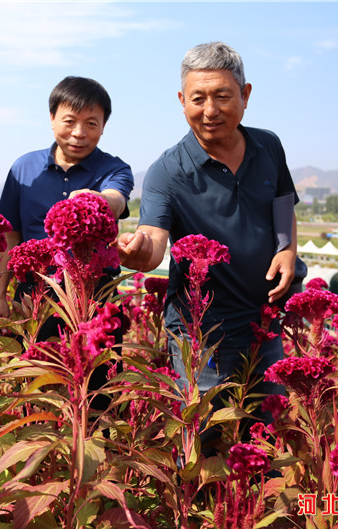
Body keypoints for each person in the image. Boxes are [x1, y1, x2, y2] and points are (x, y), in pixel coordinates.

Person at [117, 42, 304, 429]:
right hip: (202, 333)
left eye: (222, 96)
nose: (210, 110)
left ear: (245, 95)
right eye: (198, 98)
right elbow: (152, 241)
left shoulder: (268, 145)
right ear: (182, 100)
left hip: (264, 322)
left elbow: (282, 199)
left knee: (271, 428)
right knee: (206, 438)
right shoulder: (167, 171)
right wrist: (136, 252)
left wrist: (287, 249)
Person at [0, 76, 134, 321]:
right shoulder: (24, 168)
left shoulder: (114, 169)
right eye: (69, 121)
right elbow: (10, 236)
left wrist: (97, 200)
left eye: (91, 123)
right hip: (34, 291)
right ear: (52, 119)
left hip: (94, 292)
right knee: (32, 358)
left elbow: (117, 200)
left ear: (103, 126)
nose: (79, 133)